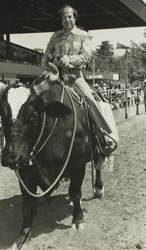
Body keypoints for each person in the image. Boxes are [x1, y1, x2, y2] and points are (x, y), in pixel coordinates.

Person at [41, 4, 116, 155]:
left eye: (69, 16)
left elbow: (87, 56)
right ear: (61, 19)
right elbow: (46, 55)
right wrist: (44, 69)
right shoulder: (55, 36)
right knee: (35, 98)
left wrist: (70, 59)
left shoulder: (83, 35)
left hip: (75, 76)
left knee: (89, 99)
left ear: (74, 18)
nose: (67, 19)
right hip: (55, 75)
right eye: (64, 17)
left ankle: (103, 135)